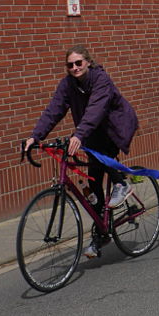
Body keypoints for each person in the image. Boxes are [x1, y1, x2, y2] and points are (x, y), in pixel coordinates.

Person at [24, 44, 139, 258]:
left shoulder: (100, 79)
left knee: (102, 157)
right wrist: (36, 136)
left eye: (79, 63)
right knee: (93, 184)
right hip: (92, 131)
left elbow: (96, 109)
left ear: (88, 62)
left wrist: (78, 134)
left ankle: (122, 184)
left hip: (115, 127)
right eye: (70, 65)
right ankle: (102, 232)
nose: (75, 67)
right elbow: (53, 110)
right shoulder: (68, 85)